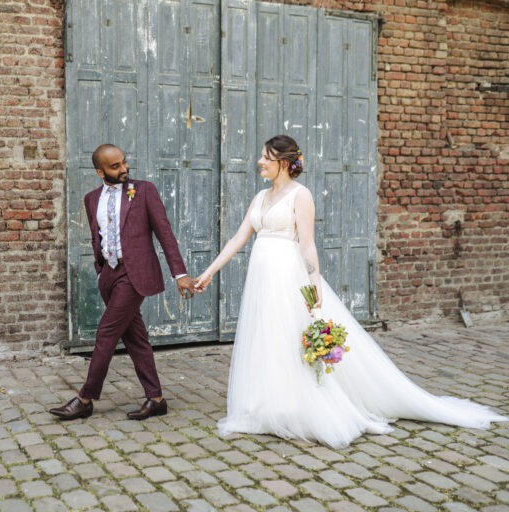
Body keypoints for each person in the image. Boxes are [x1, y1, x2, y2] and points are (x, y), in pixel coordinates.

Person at [194, 134, 507, 448]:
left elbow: (307, 245)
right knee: (267, 338)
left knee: (289, 338)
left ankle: (296, 406)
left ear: (285, 163)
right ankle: (268, 403)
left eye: (266, 157)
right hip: (261, 280)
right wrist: (209, 273)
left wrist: (314, 286)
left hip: (287, 278)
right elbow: (238, 239)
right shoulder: (260, 198)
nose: (259, 162)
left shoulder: (300, 195)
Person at [50, 144, 195, 421]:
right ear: (100, 171)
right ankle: (156, 398)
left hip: (135, 274)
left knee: (106, 331)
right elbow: (98, 237)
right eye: (115, 166)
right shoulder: (92, 198)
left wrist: (180, 274)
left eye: (124, 162)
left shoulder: (144, 191)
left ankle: (85, 398)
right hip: (110, 275)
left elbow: (165, 233)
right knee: (135, 337)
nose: (124, 169)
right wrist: (101, 270)